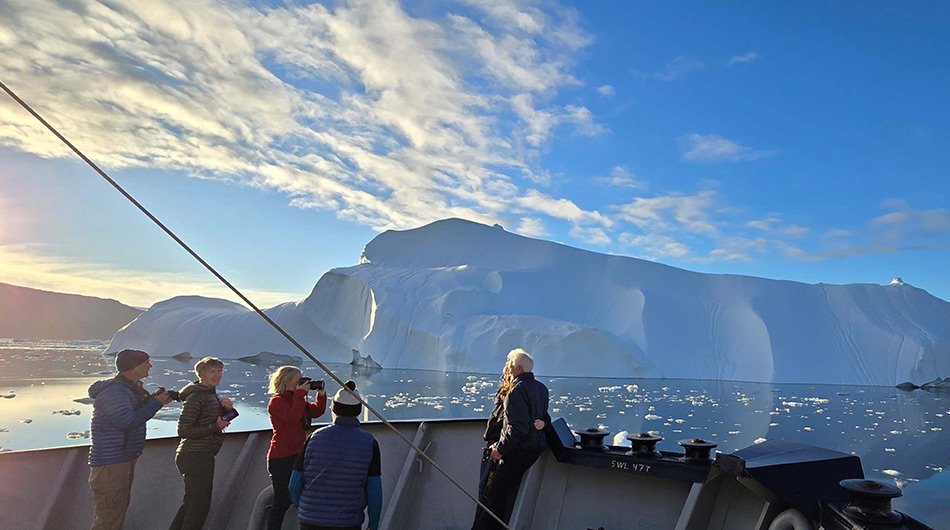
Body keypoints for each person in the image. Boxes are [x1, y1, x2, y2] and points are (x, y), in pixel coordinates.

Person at [88, 349, 173, 530]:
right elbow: (126, 421)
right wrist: (155, 403)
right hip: (111, 464)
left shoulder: (128, 388)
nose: (150, 365)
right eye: (146, 362)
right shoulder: (115, 392)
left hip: (120, 460)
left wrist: (153, 400)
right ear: (133, 366)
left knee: (115, 511)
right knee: (109, 516)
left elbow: (131, 413)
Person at [471, 348, 550, 530]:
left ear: (519, 369)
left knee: (492, 496)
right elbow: (542, 417)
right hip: (532, 450)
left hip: (514, 452)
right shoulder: (541, 389)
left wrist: (500, 449)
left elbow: (516, 428)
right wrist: (543, 423)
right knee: (503, 494)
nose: (507, 369)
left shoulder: (515, 391)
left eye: (510, 366)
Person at [290, 380, 382, 530]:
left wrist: (304, 506)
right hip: (347, 522)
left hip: (310, 521)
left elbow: (294, 483)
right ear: (358, 411)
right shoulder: (369, 443)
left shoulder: (314, 438)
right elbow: (374, 490)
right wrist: (373, 525)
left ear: (333, 408)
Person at [169, 357, 233, 530]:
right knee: (199, 506)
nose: (217, 375)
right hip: (195, 455)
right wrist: (215, 426)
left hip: (201, 454)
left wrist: (228, 410)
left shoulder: (209, 394)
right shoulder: (196, 396)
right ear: (202, 374)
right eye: (212, 371)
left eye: (220, 371)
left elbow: (211, 419)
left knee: (192, 502)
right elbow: (184, 430)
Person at [265, 366, 327, 530]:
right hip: (281, 457)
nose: (303, 383)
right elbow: (292, 417)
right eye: (298, 380)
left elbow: (317, 411)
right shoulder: (276, 401)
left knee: (301, 495)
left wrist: (320, 395)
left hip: (298, 455)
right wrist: (299, 395)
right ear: (287, 381)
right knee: (282, 500)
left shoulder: (298, 400)